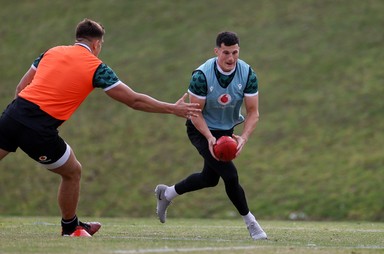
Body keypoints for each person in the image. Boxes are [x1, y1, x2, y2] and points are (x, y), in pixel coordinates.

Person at [0, 18, 200, 237]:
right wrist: (172, 108)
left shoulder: (52, 52)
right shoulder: (96, 67)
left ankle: (74, 224)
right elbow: (133, 100)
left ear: (78, 39)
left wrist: (19, 122)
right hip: (38, 129)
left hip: (12, 114)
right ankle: (70, 227)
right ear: (96, 44)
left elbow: (21, 87)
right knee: (72, 172)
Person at [155, 31, 267, 240]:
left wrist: (243, 137)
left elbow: (253, 112)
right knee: (231, 176)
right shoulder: (201, 75)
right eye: (226, 52)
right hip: (200, 128)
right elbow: (195, 113)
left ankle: (167, 193)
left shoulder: (248, 74)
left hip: (225, 130)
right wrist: (208, 137)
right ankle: (252, 224)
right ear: (217, 51)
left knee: (209, 179)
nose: (231, 58)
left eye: (235, 53)